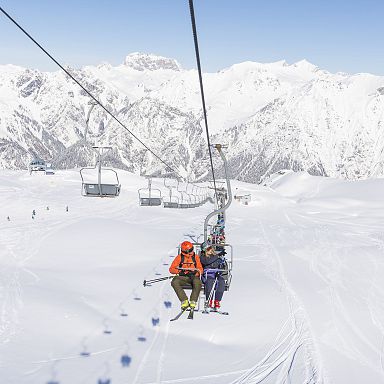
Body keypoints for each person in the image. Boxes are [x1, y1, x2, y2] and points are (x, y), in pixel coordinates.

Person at [169, 241, 203, 310]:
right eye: (190, 250)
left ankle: (193, 301)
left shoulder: (195, 257)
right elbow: (171, 269)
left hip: (193, 277)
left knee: (197, 282)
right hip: (183, 277)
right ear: (185, 251)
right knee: (174, 281)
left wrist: (195, 272)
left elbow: (200, 269)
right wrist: (180, 271)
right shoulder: (179, 257)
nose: (192, 251)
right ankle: (184, 300)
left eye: (192, 249)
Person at [200, 244, 227, 310]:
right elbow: (207, 262)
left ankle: (217, 301)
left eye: (210, 248)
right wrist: (217, 256)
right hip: (208, 274)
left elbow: (221, 265)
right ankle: (209, 301)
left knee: (221, 281)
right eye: (208, 249)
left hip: (216, 273)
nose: (210, 250)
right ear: (204, 250)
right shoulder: (202, 257)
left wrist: (221, 260)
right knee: (210, 282)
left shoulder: (215, 256)